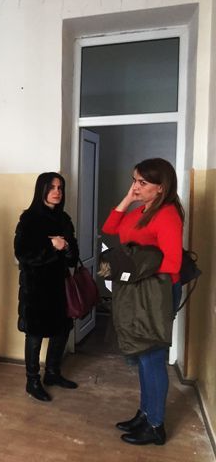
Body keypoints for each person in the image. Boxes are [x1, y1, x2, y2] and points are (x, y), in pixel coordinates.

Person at [102, 158, 183, 446]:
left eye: (142, 182)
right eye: (134, 180)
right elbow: (110, 227)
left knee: (152, 357)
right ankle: (145, 413)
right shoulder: (142, 210)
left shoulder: (167, 214)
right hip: (139, 291)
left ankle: (155, 426)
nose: (136, 186)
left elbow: (173, 262)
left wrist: (133, 268)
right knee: (143, 356)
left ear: (161, 187)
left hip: (157, 293)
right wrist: (128, 198)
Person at [14, 172, 80, 402]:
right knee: (35, 334)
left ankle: (53, 373)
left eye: (60, 188)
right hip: (36, 288)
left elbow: (73, 256)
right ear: (41, 189)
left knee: (62, 330)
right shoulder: (29, 219)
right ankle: (32, 381)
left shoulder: (64, 219)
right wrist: (51, 245)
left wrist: (66, 247)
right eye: (51, 187)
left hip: (60, 286)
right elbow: (22, 253)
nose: (56, 192)